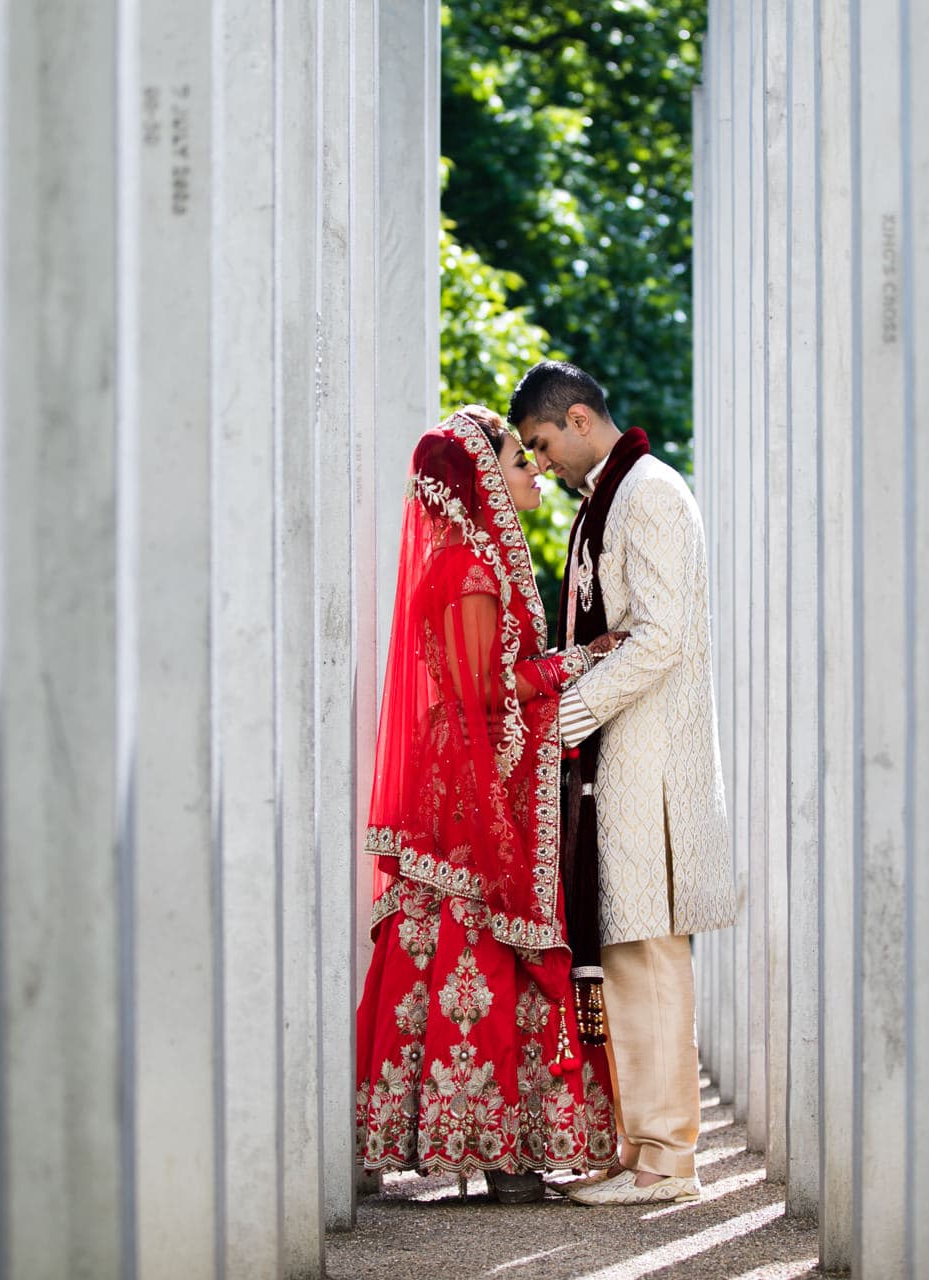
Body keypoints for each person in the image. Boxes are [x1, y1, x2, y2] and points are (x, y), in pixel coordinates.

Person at [354, 405, 624, 1204]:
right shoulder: (471, 572)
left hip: (469, 774)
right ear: (481, 486)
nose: (533, 470)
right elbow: (484, 699)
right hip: (471, 785)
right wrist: (574, 667)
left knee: (447, 942)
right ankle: (505, 1153)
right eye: (517, 461)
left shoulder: (470, 563)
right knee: (484, 941)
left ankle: (477, 1145)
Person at [510, 361, 735, 1207]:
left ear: (575, 419)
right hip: (619, 761)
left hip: (650, 760)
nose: (541, 463)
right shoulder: (611, 494)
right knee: (625, 955)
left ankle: (667, 1160)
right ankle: (635, 1145)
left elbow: (662, 635)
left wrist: (564, 717)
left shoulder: (648, 492)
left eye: (541, 444)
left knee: (650, 954)